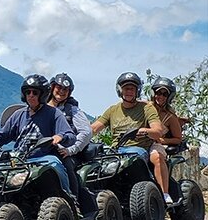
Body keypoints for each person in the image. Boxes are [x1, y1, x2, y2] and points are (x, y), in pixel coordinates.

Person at [0, 74, 76, 195]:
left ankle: (68, 197)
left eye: (35, 92)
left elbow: (71, 136)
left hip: (43, 157)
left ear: (43, 94)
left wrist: (60, 137)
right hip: (19, 158)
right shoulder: (18, 114)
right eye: (28, 92)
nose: (31, 95)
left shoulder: (54, 113)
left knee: (55, 164)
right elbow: (2, 135)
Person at [90, 72, 166, 200]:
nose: (129, 91)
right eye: (126, 88)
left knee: (134, 161)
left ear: (138, 90)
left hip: (137, 149)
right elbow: (93, 128)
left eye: (132, 88)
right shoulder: (112, 110)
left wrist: (144, 130)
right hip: (114, 151)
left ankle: (158, 195)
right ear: (120, 90)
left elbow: (158, 130)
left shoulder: (146, 108)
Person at [46, 73, 93, 195]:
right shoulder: (41, 109)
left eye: (65, 89)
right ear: (52, 87)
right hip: (44, 151)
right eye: (59, 87)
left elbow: (86, 132)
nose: (61, 91)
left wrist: (71, 150)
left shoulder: (72, 110)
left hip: (68, 152)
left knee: (66, 164)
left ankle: (74, 200)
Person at [148, 76, 183, 203]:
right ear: (153, 93)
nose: (160, 96)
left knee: (157, 156)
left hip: (156, 144)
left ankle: (165, 193)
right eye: (158, 93)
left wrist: (163, 141)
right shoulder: (145, 108)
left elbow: (178, 139)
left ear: (169, 97)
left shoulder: (170, 117)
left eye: (164, 94)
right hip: (140, 143)